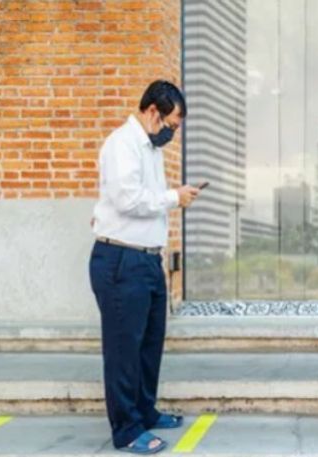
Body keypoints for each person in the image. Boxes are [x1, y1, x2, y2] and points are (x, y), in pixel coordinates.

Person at [89, 80, 200, 454]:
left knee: (149, 344)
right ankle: (126, 429)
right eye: (171, 122)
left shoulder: (149, 149)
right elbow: (127, 199)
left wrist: (173, 197)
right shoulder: (123, 144)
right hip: (122, 259)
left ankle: (144, 411)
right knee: (124, 348)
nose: (172, 131)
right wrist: (174, 197)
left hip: (147, 259)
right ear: (153, 111)